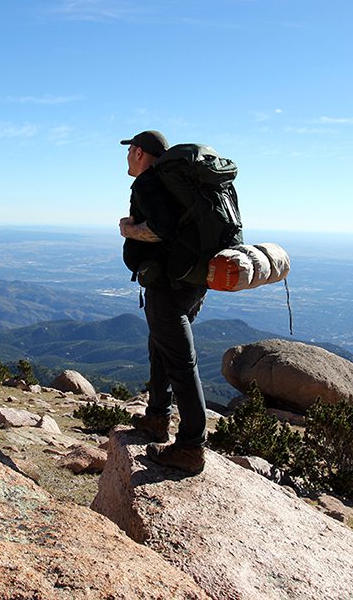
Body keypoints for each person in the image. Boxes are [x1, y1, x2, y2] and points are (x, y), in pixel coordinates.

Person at [119, 130, 208, 474]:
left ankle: (190, 446)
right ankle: (157, 418)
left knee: (180, 362)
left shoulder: (149, 183)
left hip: (169, 285)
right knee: (161, 347)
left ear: (139, 152)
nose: (127, 159)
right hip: (192, 281)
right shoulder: (178, 184)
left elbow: (161, 230)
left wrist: (128, 229)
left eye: (130, 153)